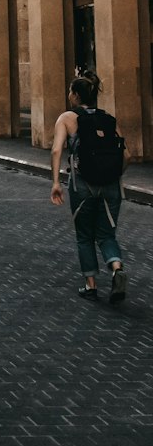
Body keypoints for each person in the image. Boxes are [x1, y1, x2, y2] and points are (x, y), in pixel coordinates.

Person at [50, 71, 128, 303]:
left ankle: (90, 285)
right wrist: (114, 175)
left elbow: (56, 150)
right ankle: (116, 268)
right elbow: (127, 155)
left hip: (82, 184)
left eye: (70, 91)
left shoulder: (67, 118)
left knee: (84, 235)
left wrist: (56, 183)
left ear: (75, 95)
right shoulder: (108, 118)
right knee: (106, 234)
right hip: (111, 185)